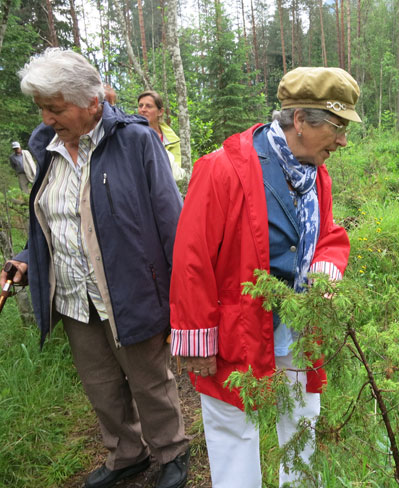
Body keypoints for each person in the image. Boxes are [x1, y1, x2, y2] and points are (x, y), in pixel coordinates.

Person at [0, 48, 190, 488]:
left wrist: (181, 297)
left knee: (149, 380)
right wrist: (27, 260)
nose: (47, 118)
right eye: (41, 108)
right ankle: (126, 453)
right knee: (100, 383)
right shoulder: (43, 147)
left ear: (92, 101)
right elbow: (48, 220)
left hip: (132, 288)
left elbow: (170, 220)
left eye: (55, 107)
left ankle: (171, 451)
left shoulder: (136, 140)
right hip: (70, 292)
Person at [169, 67, 359, 487]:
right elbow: (191, 259)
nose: (343, 140)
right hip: (237, 330)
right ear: (299, 121)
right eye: (337, 127)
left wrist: (325, 269)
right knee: (234, 428)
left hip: (298, 328)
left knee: (304, 415)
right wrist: (198, 336)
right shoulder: (222, 170)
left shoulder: (315, 174)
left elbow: (327, 234)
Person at [137, 90, 186, 182]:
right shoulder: (131, 134)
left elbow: (176, 175)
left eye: (148, 106)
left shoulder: (171, 139)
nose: (143, 109)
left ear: (160, 112)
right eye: (140, 106)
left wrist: (158, 147)